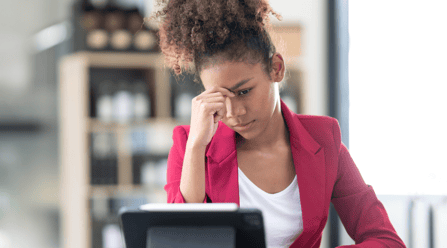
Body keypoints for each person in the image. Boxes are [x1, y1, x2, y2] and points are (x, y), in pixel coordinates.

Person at [154, 0, 405, 247]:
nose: (234, 112)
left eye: (244, 92)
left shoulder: (324, 140)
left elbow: (386, 241)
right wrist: (197, 146)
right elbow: (179, 240)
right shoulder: (189, 146)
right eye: (220, 98)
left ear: (276, 68)